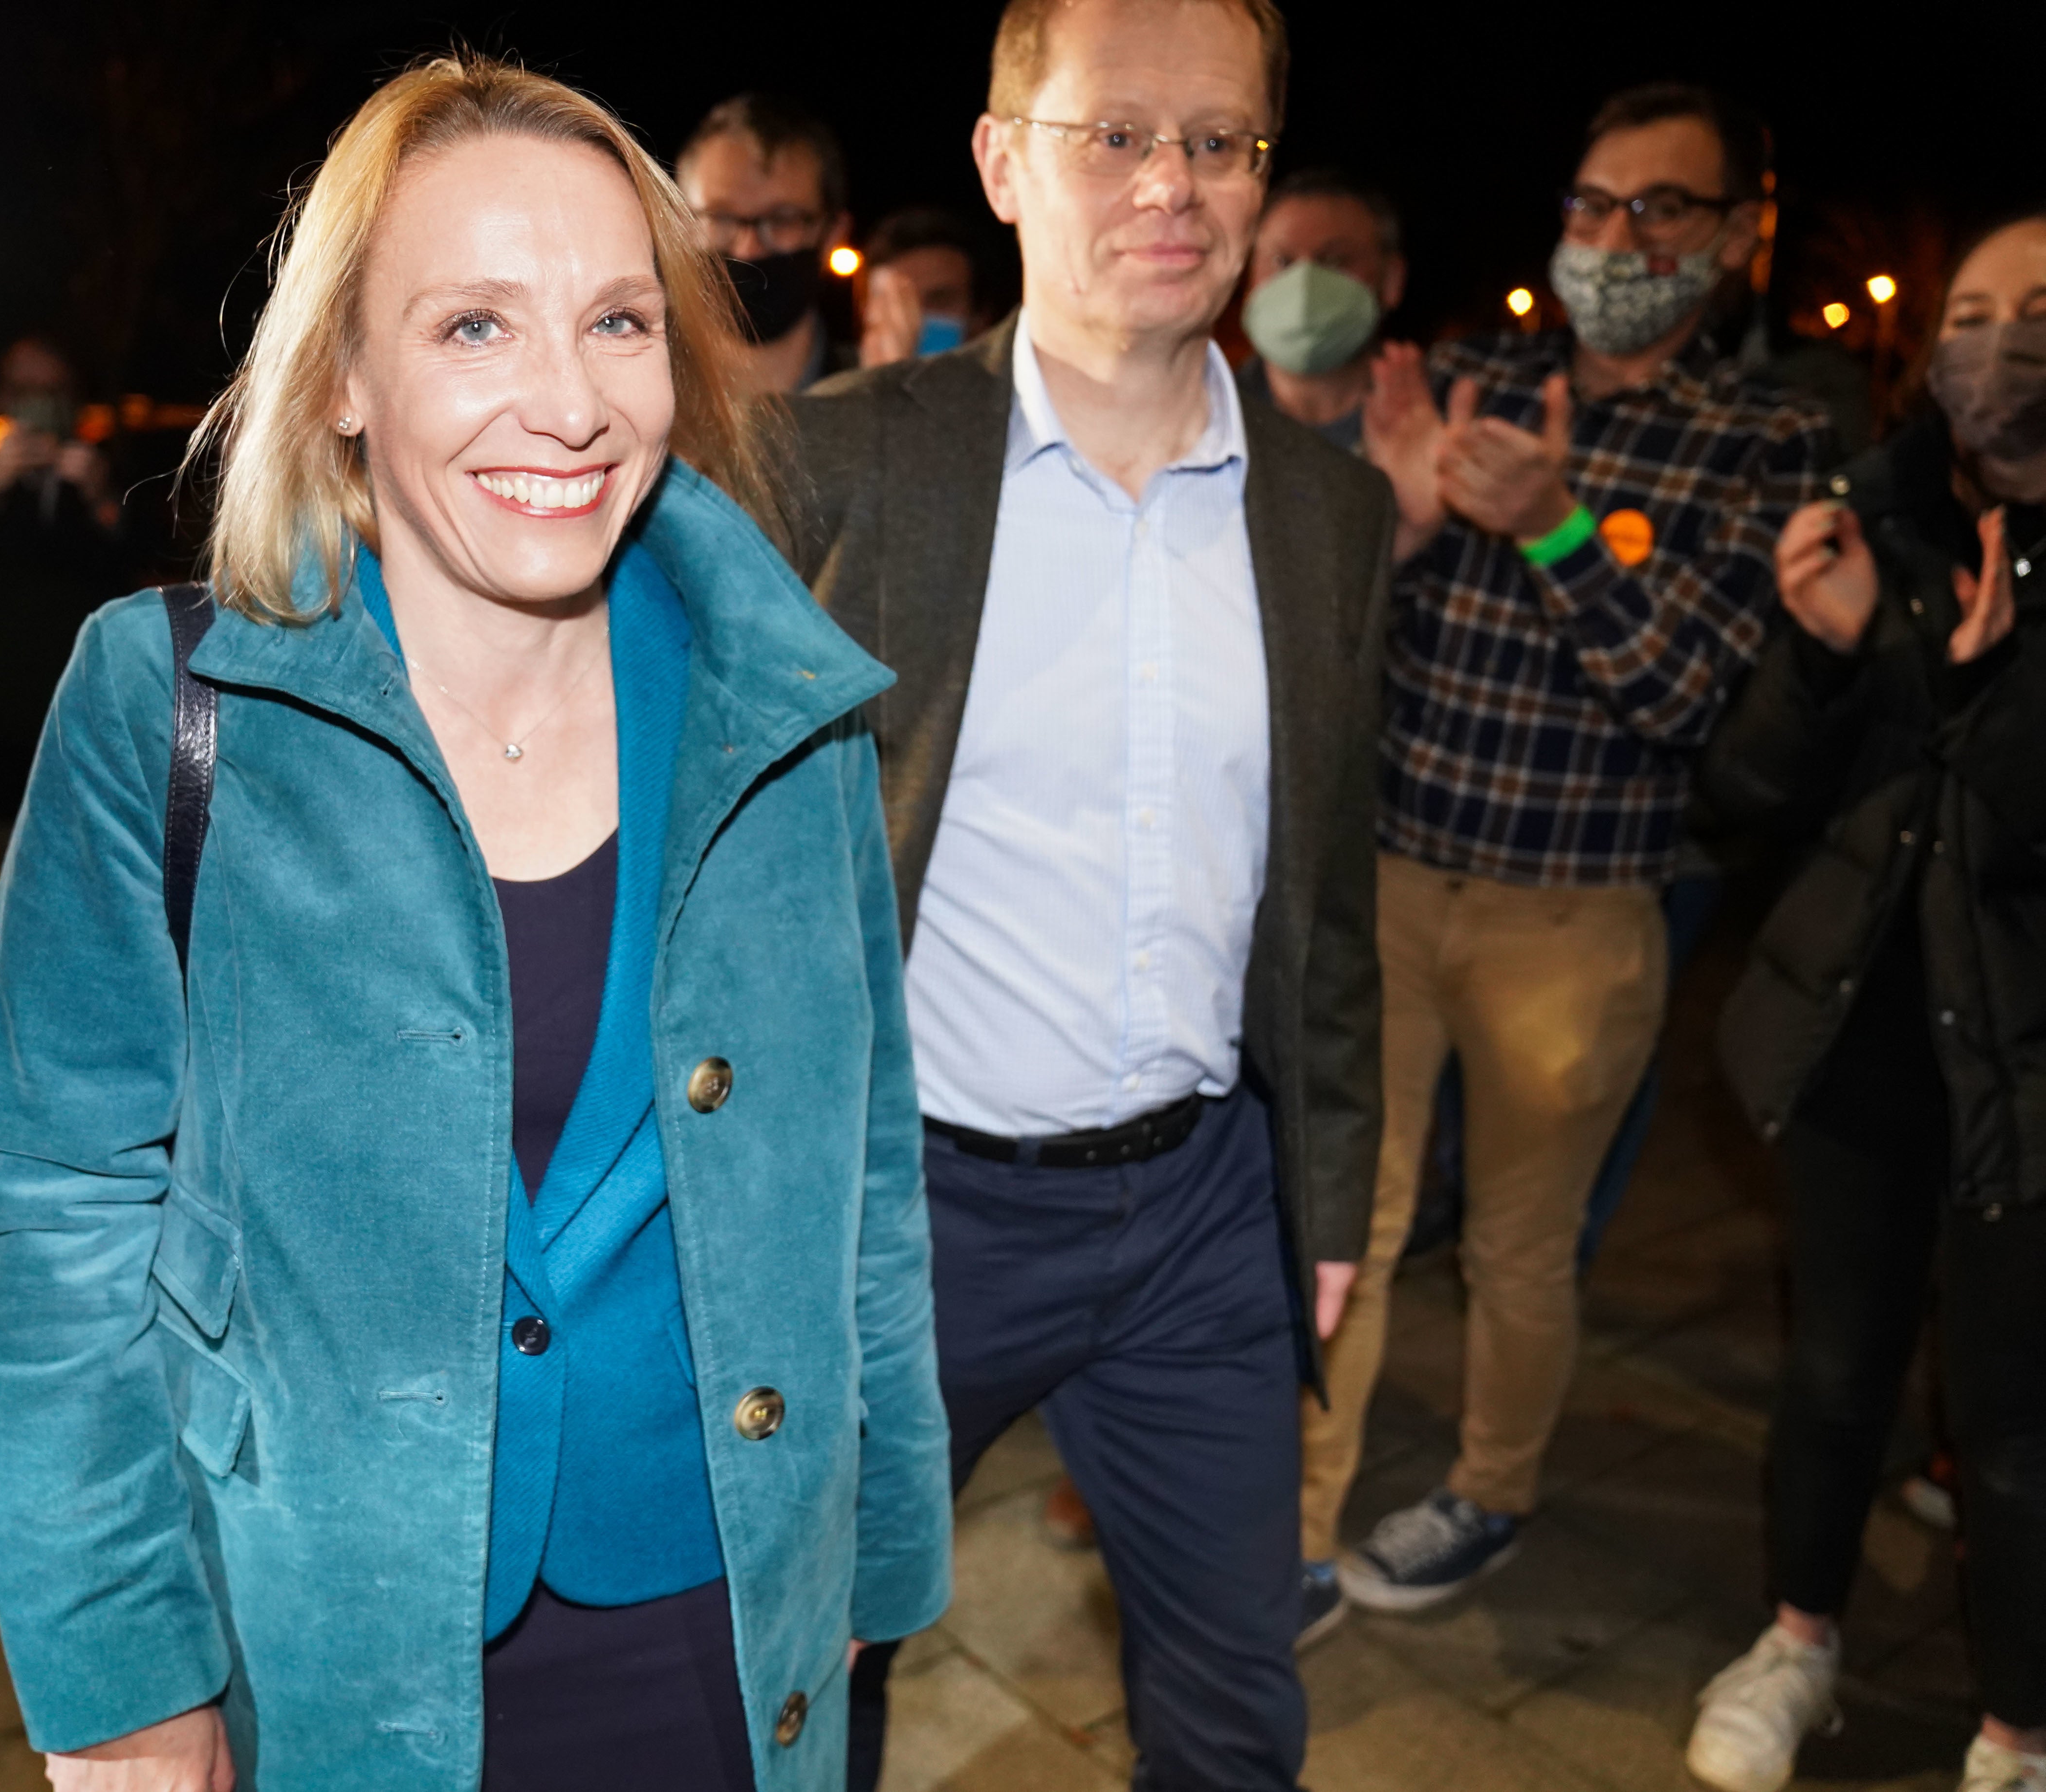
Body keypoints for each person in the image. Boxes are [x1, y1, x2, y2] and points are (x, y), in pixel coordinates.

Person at [0, 54, 950, 1792]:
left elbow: (858, 1164)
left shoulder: (783, 706)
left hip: (714, 1608)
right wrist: (120, 1673)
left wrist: (877, 1539)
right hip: (328, 1628)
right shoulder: (165, 697)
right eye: (474, 325)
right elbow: (53, 1213)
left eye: (619, 322)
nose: (566, 401)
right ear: (341, 375)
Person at [784, 0, 1394, 1784]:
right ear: (999, 160)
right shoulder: (847, 466)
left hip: (1205, 1215)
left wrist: (1331, 1189)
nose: (1173, 185)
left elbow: (1329, 897)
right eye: (1113, 133)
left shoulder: (1328, 516)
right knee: (817, 1672)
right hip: (915, 1215)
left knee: (1237, 1702)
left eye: (1219, 142)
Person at [1312, 82, 1837, 1629]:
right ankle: (1290, 1525)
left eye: (1659, 209)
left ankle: (1489, 1491)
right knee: (1352, 1217)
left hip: (1578, 913)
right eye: (1592, 205)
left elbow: (1687, 697)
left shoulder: (1763, 440)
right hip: (1396, 882)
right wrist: (1392, 524)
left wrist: (1551, 528)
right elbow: (1332, 640)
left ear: (1737, 234)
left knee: (1521, 1252)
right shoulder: (1466, 378)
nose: (1615, 238)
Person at [1684, 210, 2046, 1792]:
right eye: (1974, 310)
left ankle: (2016, 1728)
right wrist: (1829, 659)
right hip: (1857, 1041)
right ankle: (1800, 1639)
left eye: (2041, 311)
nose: (2000, 341)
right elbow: (1745, 786)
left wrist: (1988, 695)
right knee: (1834, 1370)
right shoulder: (1870, 519)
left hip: (2028, 1079)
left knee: (2017, 1432)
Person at [0, 333, 135, 833]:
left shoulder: (112, 471)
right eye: (23, 389)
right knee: (7, 875)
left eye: (51, 389)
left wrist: (103, 498)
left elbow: (146, 566)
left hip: (85, 706)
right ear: (4, 400)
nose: (39, 402)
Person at [676, 94, 857, 397]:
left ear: (832, 237)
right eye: (721, 217)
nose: (748, 250)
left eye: (782, 219)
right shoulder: (631, 405)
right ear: (679, 227)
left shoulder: (873, 403)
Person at [1236, 167, 1403, 453]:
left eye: (1335, 261)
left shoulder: (1445, 413)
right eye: (1283, 262)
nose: (1304, 284)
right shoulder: (1202, 417)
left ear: (1391, 279)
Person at [854, 206, 1000, 368]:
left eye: (939, 300)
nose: (914, 319)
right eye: (899, 303)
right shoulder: (829, 388)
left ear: (981, 317)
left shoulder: (1019, 389)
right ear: (866, 313)